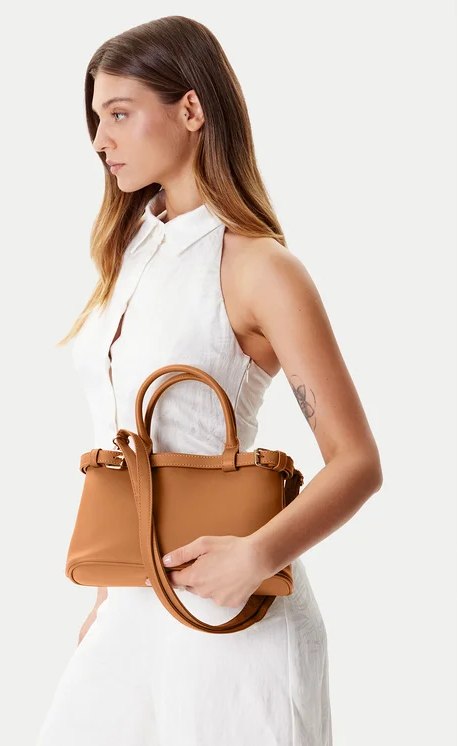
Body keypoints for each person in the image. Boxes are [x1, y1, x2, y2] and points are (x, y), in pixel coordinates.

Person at [37, 14, 383, 746]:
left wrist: (257, 556)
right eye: (96, 119)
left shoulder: (262, 268)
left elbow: (357, 462)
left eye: (120, 114)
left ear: (191, 110)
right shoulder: (128, 255)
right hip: (131, 604)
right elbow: (122, 446)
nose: (99, 139)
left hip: (235, 615)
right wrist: (109, 595)